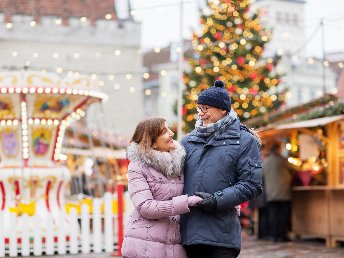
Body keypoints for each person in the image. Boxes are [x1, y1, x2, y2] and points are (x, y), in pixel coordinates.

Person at [181, 80, 263, 258]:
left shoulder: (244, 140)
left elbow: (252, 184)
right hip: (189, 234)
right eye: (199, 108)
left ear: (223, 110)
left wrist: (216, 201)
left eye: (206, 108)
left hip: (222, 235)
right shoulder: (187, 141)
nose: (201, 114)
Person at [121, 118, 203, 258]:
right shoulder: (138, 167)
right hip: (144, 245)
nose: (171, 133)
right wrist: (186, 202)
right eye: (164, 131)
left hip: (175, 242)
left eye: (169, 129)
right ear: (152, 141)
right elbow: (146, 207)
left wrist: (225, 202)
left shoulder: (180, 163)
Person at [263, 142, 298, 242]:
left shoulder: (265, 162)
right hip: (283, 193)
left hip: (270, 194)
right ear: (278, 149)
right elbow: (296, 169)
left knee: (273, 216)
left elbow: (261, 176)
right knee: (283, 215)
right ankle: (282, 236)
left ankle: (274, 236)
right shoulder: (282, 160)